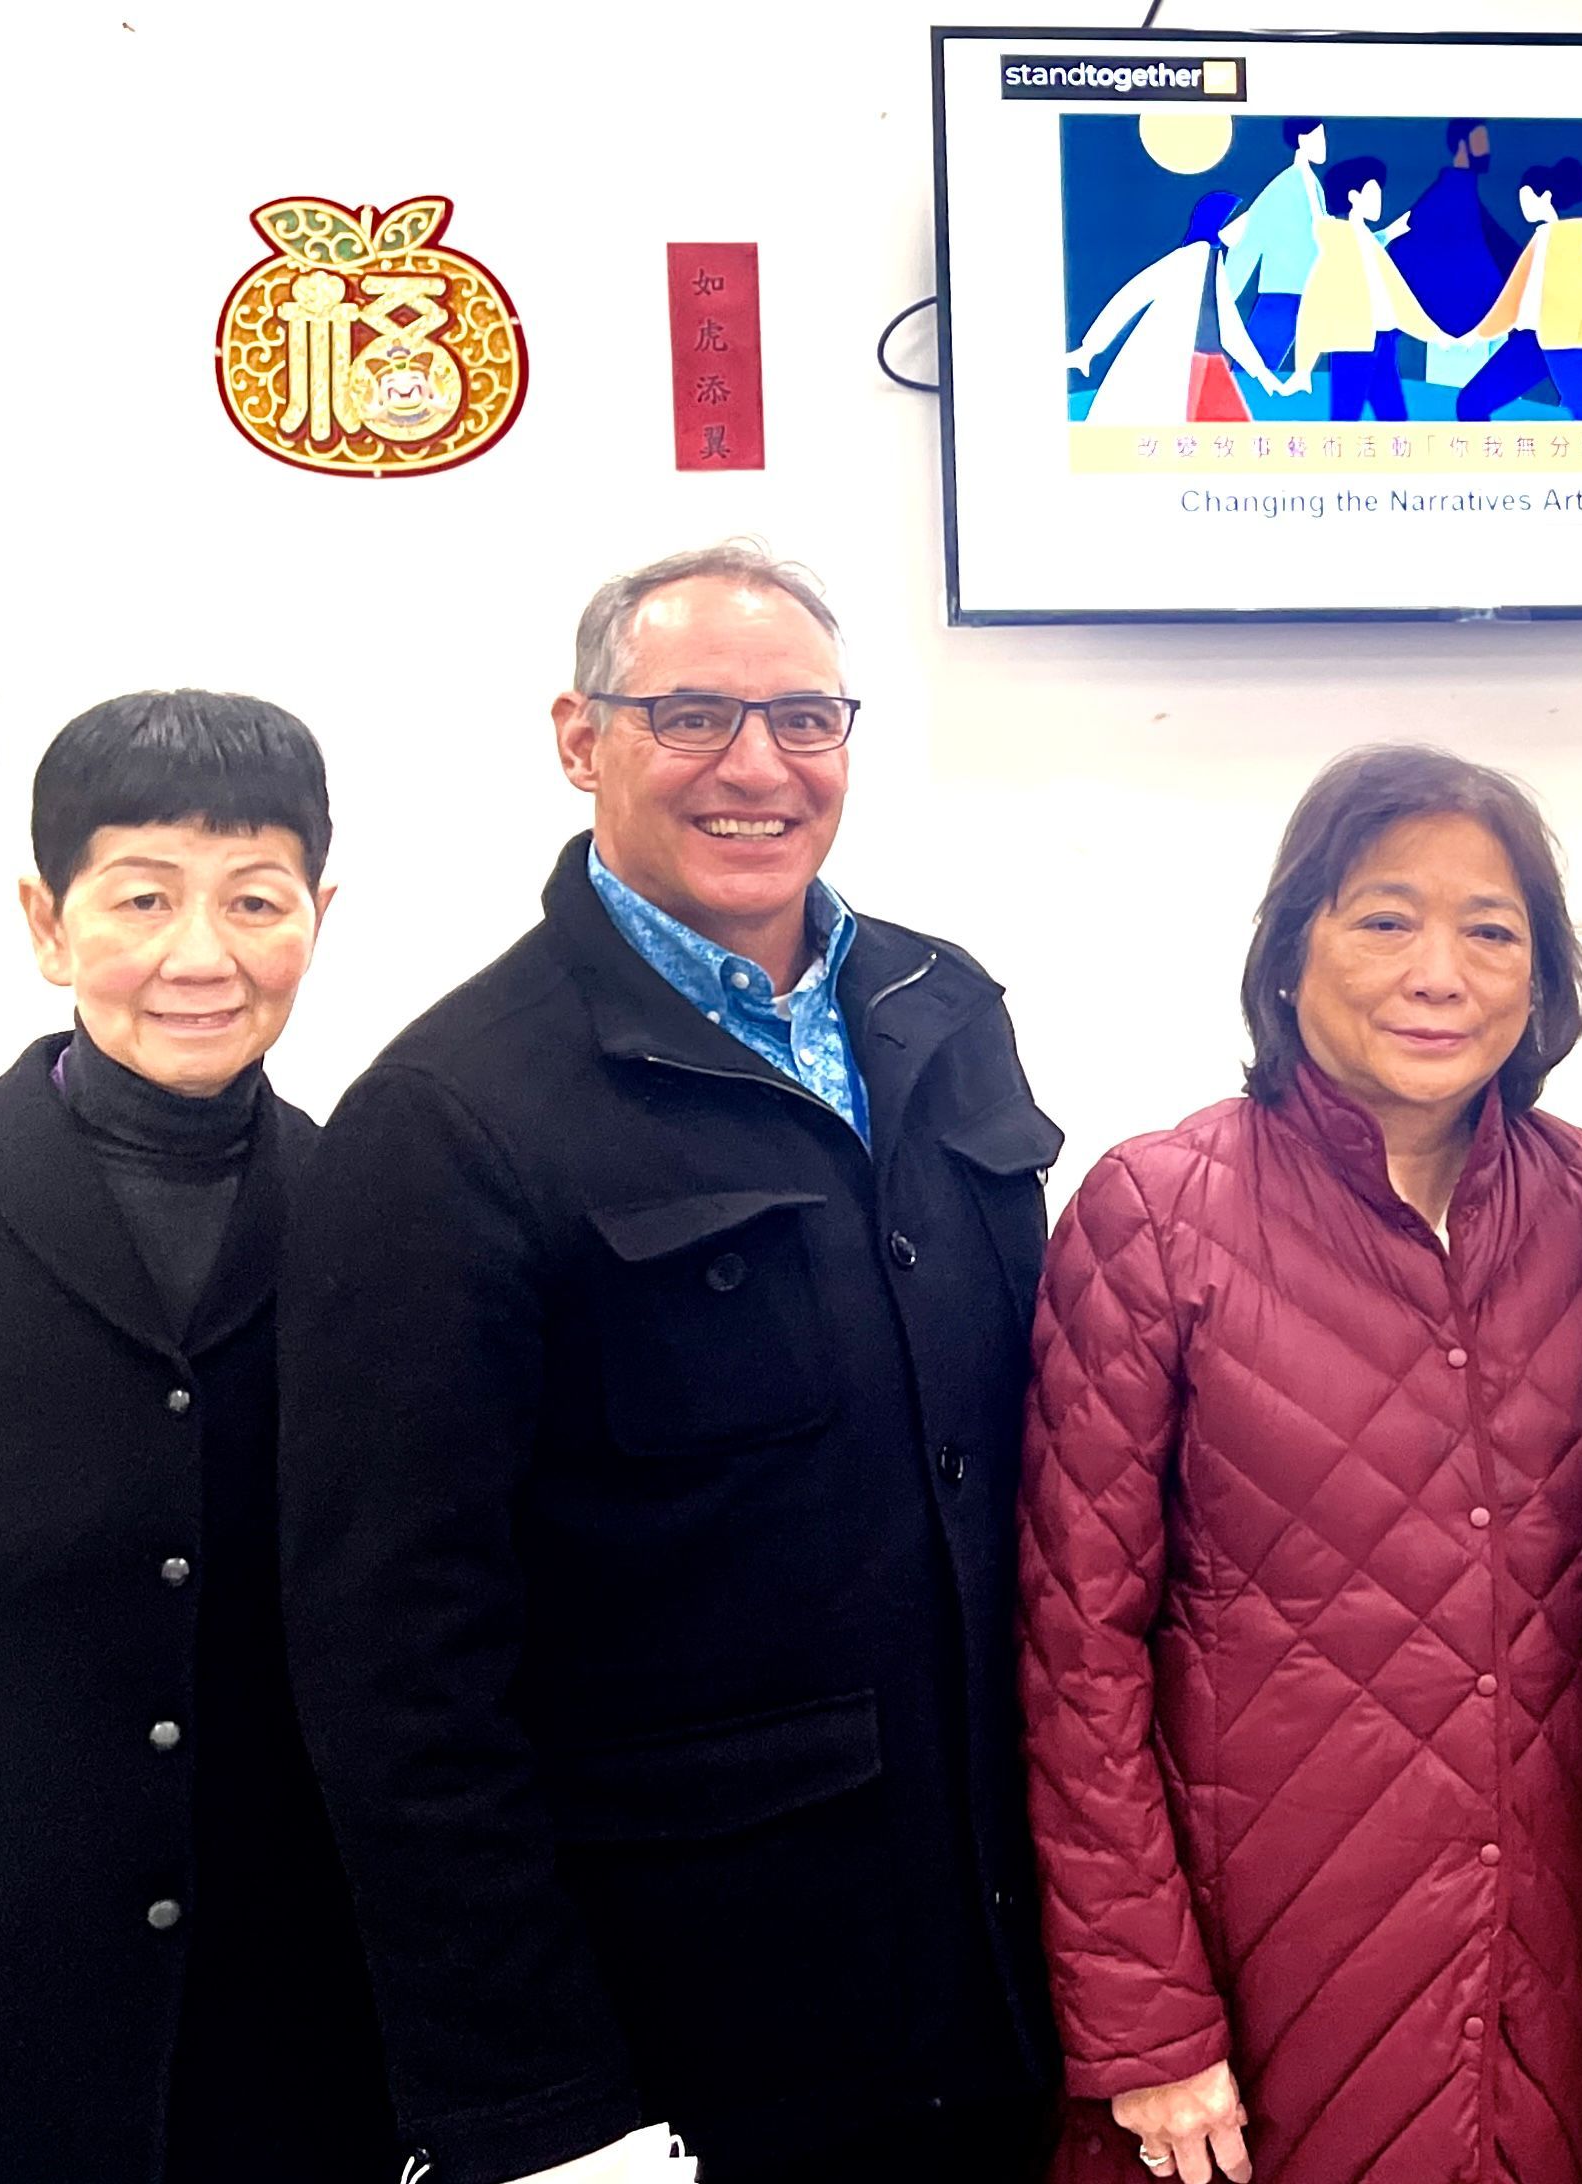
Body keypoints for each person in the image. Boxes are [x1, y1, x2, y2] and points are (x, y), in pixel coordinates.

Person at [281, 543, 1066, 2184]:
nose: (757, 766)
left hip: (1002, 1983)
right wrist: (538, 2104)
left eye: (802, 716)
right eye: (692, 713)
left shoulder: (944, 1006)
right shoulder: (452, 1118)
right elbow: (398, 1669)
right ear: (581, 737)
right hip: (698, 2044)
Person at [1020, 746, 1582, 2184]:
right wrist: (1141, 2020)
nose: (1437, 973)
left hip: (1560, 1975)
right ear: (1288, 953)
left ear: (1542, 974)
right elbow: (1074, 1654)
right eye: (1384, 918)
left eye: (1490, 928)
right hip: (1258, 1980)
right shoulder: (1153, 1215)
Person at [0, 693, 395, 2184]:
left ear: (318, 916)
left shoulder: (386, 1243)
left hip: (296, 2037)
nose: (199, 955)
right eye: (141, 897)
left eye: (254, 899)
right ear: (45, 919)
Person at [1064, 188, 1287, 424]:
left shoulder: (1214, 264)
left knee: (1223, 438)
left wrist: (1262, 373)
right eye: (1239, 219)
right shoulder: (1183, 261)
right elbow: (1131, 296)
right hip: (1173, 361)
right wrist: (1091, 347)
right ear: (1219, 223)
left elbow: (1230, 328)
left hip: (1209, 362)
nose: (1245, 227)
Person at [1457, 161, 1582, 425]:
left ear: (1545, 196)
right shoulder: (1542, 239)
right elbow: (1512, 300)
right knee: (1471, 403)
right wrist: (1478, 335)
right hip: (1535, 344)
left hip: (1566, 349)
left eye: (1525, 197)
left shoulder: (1566, 244)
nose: (1521, 204)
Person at [1290, 156, 1451, 425]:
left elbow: (1395, 295)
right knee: (1346, 421)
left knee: (1393, 419)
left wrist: (1433, 334)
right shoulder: (1338, 244)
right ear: (1354, 196)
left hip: (1383, 339)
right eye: (1375, 191)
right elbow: (1315, 304)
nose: (1380, 199)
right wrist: (1304, 366)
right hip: (1353, 343)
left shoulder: (1362, 238)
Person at [1393, 119, 1518, 389]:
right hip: (1457, 325)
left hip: (1479, 323)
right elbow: (1412, 254)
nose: (1487, 150)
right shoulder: (1445, 198)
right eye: (1480, 142)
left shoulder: (1466, 195)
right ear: (1462, 145)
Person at [1219, 118, 1331, 400]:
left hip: (1308, 291)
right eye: (1318, 138)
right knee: (1251, 376)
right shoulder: (1284, 186)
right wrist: (1225, 297)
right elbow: (1249, 239)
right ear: (1303, 140)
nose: (1324, 145)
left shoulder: (1312, 185)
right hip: (1281, 293)